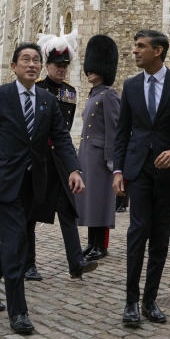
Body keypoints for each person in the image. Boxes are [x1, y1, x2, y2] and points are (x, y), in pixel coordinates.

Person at [0, 43, 88, 335]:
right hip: (5, 182)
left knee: (12, 238)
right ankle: (18, 311)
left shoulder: (47, 100)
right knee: (16, 242)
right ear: (14, 66)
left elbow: (62, 138)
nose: (32, 65)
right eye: (25, 60)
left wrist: (74, 169)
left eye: (36, 60)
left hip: (35, 184)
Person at [112, 30, 170, 328]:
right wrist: (118, 171)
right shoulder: (131, 86)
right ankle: (130, 302)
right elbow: (122, 132)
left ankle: (150, 300)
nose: (134, 51)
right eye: (134, 46)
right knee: (138, 232)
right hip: (138, 171)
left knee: (161, 237)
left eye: (140, 46)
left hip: (168, 173)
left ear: (158, 51)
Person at [18, 20, 80, 281]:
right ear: (47, 65)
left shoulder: (70, 92)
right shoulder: (38, 89)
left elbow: (64, 131)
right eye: (57, 65)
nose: (62, 70)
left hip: (60, 161)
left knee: (67, 209)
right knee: (31, 213)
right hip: (40, 159)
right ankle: (29, 263)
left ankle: (76, 262)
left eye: (65, 66)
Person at [75, 34, 121, 261]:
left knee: (101, 201)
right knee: (90, 201)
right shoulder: (93, 94)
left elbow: (114, 128)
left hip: (102, 158)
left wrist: (112, 160)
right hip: (87, 155)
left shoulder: (109, 95)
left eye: (94, 68)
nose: (89, 71)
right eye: (89, 68)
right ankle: (91, 243)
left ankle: (100, 246)